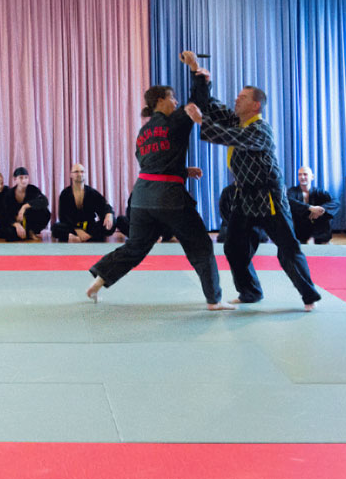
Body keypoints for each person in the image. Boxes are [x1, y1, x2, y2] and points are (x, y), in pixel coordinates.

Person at [86, 51, 234, 311]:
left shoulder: (143, 133)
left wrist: (182, 170)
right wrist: (195, 68)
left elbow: (150, 163)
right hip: (169, 198)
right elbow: (198, 102)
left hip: (142, 198)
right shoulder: (176, 120)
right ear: (161, 101)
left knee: (135, 247)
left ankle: (99, 281)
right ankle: (214, 299)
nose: (176, 101)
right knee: (200, 246)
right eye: (172, 97)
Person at [187, 68, 321, 311]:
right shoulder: (237, 121)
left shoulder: (260, 129)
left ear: (256, 105)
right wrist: (201, 78)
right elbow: (212, 106)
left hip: (268, 197)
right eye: (237, 96)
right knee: (234, 246)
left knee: (288, 249)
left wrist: (200, 121)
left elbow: (231, 136)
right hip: (244, 197)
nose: (236, 99)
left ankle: (309, 294)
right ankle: (250, 291)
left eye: (243, 97)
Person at [51, 164, 115, 242]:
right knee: (55, 228)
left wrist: (108, 214)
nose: (80, 174)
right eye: (76, 172)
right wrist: (77, 230)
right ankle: (89, 237)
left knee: (112, 222)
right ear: (71, 175)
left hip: (89, 226)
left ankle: (80, 237)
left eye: (82, 172)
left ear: (85, 174)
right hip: (72, 227)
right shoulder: (65, 194)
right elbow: (63, 216)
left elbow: (104, 206)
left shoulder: (92, 192)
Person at [287, 166, 340, 244]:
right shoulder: (292, 191)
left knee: (325, 211)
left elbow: (336, 202)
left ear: (312, 177)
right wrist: (310, 208)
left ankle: (316, 238)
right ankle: (310, 239)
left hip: (318, 226)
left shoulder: (319, 191)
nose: (302, 177)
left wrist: (321, 210)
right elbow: (290, 201)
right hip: (300, 226)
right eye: (300, 175)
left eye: (305, 174)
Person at [2, 167, 51, 241]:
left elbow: (44, 201)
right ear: (15, 179)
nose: (24, 180)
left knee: (45, 211)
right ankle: (25, 233)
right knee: (9, 234)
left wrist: (24, 207)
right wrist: (16, 224)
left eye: (26, 178)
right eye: (21, 178)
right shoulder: (9, 194)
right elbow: (6, 213)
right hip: (16, 221)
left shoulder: (33, 189)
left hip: (30, 220)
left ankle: (31, 231)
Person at [217, 181, 269, 245]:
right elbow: (223, 211)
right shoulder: (227, 191)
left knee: (262, 236)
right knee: (223, 236)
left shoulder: (254, 189)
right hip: (230, 223)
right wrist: (232, 224)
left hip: (251, 224)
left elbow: (260, 211)